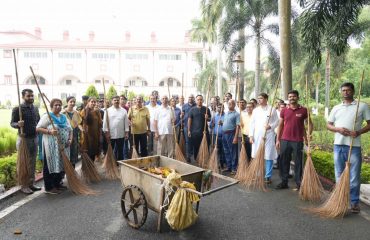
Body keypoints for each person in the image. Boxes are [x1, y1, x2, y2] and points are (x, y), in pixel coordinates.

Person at [326, 83, 370, 213]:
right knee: (339, 174)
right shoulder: (336, 107)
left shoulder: (361, 106)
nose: (345, 92)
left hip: (354, 146)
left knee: (354, 177)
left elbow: (369, 124)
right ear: (341, 92)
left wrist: (358, 132)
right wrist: (337, 129)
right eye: (343, 90)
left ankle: (354, 202)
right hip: (338, 145)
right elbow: (329, 125)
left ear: (353, 91)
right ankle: (341, 201)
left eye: (348, 90)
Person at [276, 90, 312, 190]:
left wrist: (309, 134)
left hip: (298, 140)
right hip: (285, 139)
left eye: (294, 96)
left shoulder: (304, 110)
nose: (292, 98)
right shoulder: (284, 110)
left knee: (298, 162)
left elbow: (310, 124)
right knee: (284, 161)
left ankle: (298, 182)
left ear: (298, 97)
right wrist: (278, 140)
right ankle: (284, 181)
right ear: (288, 98)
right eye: (290, 97)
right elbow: (280, 125)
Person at [36, 98, 72, 194]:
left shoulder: (64, 117)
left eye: (59, 105)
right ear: (51, 106)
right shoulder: (47, 116)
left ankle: (57, 183)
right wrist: (49, 131)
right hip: (51, 147)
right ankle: (49, 187)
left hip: (63, 146)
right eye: (56, 105)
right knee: (50, 165)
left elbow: (70, 129)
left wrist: (69, 139)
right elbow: (38, 128)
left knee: (61, 164)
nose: (58, 106)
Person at [10, 89, 41, 194]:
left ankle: (31, 183)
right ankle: (23, 185)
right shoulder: (18, 109)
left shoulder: (35, 108)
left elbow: (39, 121)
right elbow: (12, 123)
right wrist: (18, 124)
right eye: (28, 96)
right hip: (23, 139)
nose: (31, 98)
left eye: (32, 96)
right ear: (23, 97)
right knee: (24, 162)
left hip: (34, 138)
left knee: (32, 162)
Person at [249, 93, 279, 184]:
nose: (259, 100)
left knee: (268, 155)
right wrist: (251, 136)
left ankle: (268, 176)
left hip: (269, 135)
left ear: (266, 99)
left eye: (261, 98)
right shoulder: (256, 110)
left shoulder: (272, 109)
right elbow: (252, 123)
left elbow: (277, 121)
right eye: (258, 98)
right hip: (257, 136)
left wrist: (270, 126)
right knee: (257, 155)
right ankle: (258, 174)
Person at [103, 96, 129, 161]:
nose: (116, 101)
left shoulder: (124, 111)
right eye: (115, 100)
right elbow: (105, 123)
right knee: (110, 151)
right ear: (112, 101)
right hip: (111, 134)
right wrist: (106, 133)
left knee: (120, 150)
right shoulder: (107, 111)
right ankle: (111, 163)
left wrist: (126, 132)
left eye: (117, 100)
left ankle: (120, 163)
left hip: (121, 134)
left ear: (119, 101)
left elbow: (126, 122)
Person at [188, 95, 211, 161]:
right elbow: (189, 120)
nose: (199, 101)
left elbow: (209, 119)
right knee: (196, 147)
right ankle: (196, 159)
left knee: (206, 145)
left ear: (203, 100)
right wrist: (189, 130)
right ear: (196, 100)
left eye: (201, 99)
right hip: (195, 132)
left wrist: (207, 118)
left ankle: (205, 159)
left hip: (204, 131)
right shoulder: (192, 110)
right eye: (198, 100)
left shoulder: (206, 109)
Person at [220, 100, 240, 174]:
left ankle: (234, 168)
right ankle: (229, 167)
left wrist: (235, 137)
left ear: (234, 105)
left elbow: (238, 126)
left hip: (231, 134)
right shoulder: (226, 113)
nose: (229, 105)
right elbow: (226, 123)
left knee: (233, 151)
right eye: (228, 104)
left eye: (231, 104)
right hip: (224, 134)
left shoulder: (236, 114)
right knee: (226, 151)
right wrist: (221, 123)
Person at [62, 96, 82, 168]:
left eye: (74, 102)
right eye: (71, 101)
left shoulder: (76, 113)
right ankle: (65, 171)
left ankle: (72, 171)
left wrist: (81, 130)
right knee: (66, 152)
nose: (72, 103)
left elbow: (78, 124)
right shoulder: (62, 113)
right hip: (65, 135)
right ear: (67, 102)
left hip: (75, 135)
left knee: (73, 152)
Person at [210, 104, 225, 169]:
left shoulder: (226, 116)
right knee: (216, 150)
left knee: (223, 151)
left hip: (224, 135)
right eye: (218, 107)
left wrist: (222, 123)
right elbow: (211, 126)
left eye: (221, 107)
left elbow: (228, 125)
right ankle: (217, 163)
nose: (219, 108)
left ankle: (222, 163)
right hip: (216, 135)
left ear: (223, 108)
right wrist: (212, 124)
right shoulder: (214, 116)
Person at [182, 94, 196, 162]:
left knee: (194, 141)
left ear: (194, 98)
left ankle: (194, 155)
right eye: (189, 97)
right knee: (188, 142)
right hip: (186, 126)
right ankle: (188, 156)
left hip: (195, 126)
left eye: (192, 97)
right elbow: (182, 115)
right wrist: (181, 116)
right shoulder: (184, 106)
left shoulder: (196, 106)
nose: (190, 98)